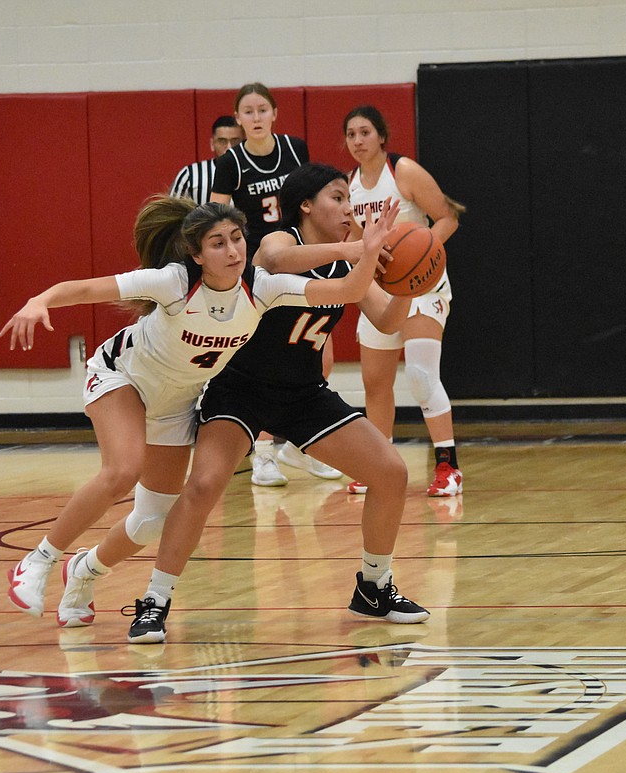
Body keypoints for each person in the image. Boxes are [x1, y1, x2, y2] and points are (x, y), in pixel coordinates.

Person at [51, 166, 426, 642]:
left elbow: (387, 320)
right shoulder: (274, 242)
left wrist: (410, 281)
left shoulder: (347, 265)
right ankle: (154, 600)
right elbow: (280, 259)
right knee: (204, 486)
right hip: (239, 388)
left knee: (391, 472)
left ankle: (374, 587)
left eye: (351, 200)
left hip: (303, 394)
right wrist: (357, 249)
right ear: (306, 205)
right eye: (339, 197)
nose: (351, 209)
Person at [210, 82, 337, 487]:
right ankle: (263, 454)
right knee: (265, 355)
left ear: (275, 113)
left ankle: (301, 445)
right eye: (248, 112)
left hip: (299, 253)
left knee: (320, 352)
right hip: (259, 266)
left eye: (262, 109)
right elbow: (217, 217)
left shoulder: (295, 149)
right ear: (238, 119)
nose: (256, 118)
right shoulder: (231, 162)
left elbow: (312, 198)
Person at [344, 105, 467, 498]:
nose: (358, 140)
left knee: (420, 374)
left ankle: (448, 466)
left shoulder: (405, 172)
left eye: (365, 132)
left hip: (422, 285)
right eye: (351, 135)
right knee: (375, 382)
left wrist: (419, 254)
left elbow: (448, 217)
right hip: (380, 289)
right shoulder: (347, 186)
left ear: (382, 135)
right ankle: (380, 465)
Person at [168, 115, 244, 206]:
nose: (229, 147)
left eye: (235, 141)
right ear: (212, 144)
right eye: (222, 141)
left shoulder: (255, 171)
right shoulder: (190, 174)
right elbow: (171, 214)